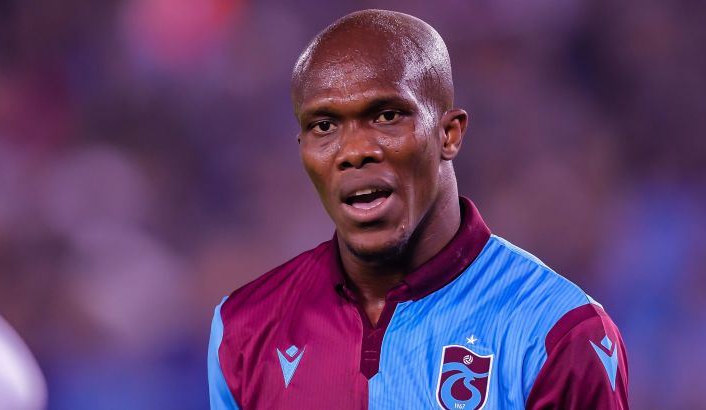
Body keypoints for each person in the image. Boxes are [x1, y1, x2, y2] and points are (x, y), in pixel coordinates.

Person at [208, 9, 628, 410]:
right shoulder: (243, 328)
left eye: (387, 116)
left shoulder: (558, 331)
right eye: (324, 126)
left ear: (449, 134)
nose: (354, 151)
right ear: (302, 148)